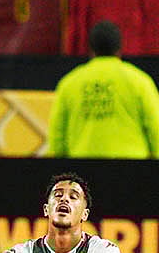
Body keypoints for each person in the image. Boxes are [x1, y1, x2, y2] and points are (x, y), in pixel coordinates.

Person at [48, 20, 159, 158]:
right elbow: (155, 126)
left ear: (91, 48)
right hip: (131, 166)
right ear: (119, 48)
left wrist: (57, 165)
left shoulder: (69, 83)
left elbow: (57, 134)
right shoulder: (139, 81)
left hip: (81, 166)